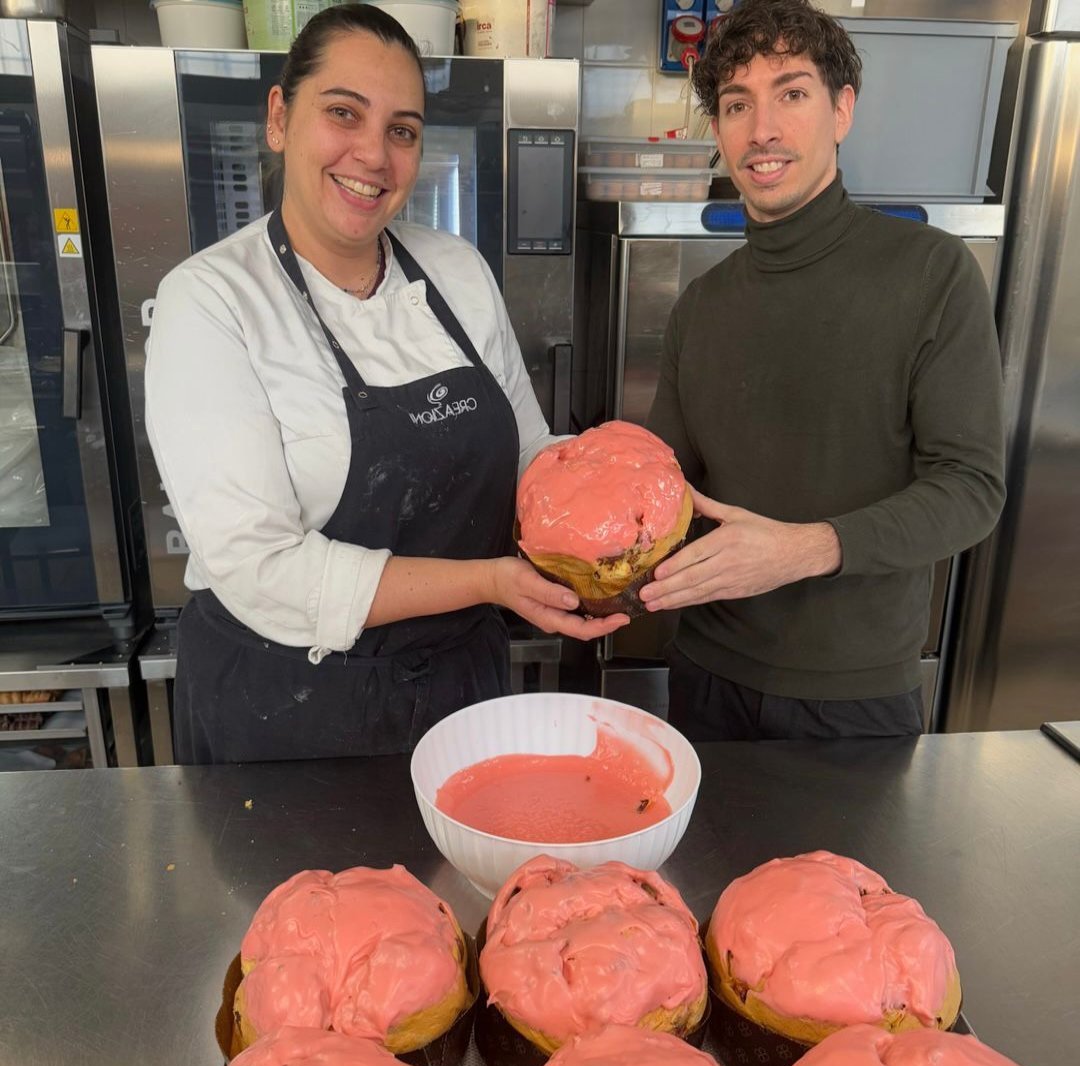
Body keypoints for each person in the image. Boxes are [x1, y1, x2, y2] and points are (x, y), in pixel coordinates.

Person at [145, 4, 627, 765]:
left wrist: (622, 502)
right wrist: (490, 581)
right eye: (343, 113)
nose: (372, 154)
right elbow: (261, 567)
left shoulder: (458, 272)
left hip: (459, 687)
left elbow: (532, 455)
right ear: (279, 117)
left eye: (401, 130)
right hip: (288, 709)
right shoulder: (210, 302)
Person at [639, 0, 1005, 740]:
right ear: (718, 128)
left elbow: (972, 489)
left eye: (792, 94)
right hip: (706, 679)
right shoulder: (701, 304)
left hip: (855, 699)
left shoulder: (931, 272)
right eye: (737, 104)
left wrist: (805, 548)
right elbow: (665, 489)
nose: (763, 130)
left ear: (842, 110)